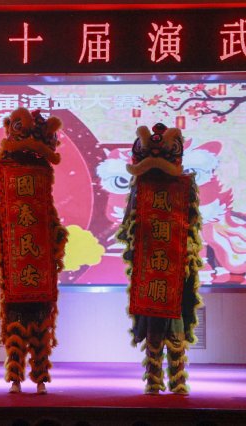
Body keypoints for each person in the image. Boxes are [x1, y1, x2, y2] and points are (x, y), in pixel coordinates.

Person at [117, 123, 203, 395]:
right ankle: (154, 379)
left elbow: (193, 223)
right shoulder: (139, 188)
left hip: (176, 265)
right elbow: (128, 226)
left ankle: (177, 379)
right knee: (153, 323)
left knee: (175, 323)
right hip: (150, 266)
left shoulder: (184, 186)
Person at [0, 108, 67, 394]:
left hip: (38, 261)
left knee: (41, 322)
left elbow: (50, 213)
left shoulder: (41, 171)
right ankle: (16, 377)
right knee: (16, 321)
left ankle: (40, 377)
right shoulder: (6, 170)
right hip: (17, 263)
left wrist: (57, 239)